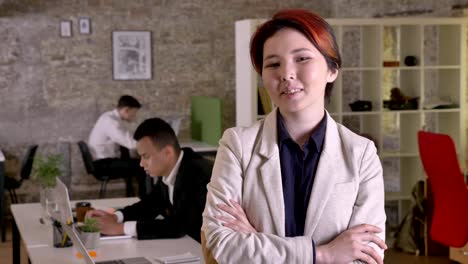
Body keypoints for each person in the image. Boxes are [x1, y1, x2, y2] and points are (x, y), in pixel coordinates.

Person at [202, 9, 387, 264]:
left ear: (332, 69)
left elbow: (367, 256)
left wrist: (256, 239)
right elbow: (219, 243)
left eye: (302, 59)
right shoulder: (238, 146)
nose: (287, 74)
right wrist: (323, 254)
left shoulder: (361, 154)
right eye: (273, 64)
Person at [87, 117, 213, 242]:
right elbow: (152, 204)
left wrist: (120, 228)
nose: (141, 164)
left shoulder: (197, 173)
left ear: (167, 152)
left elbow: (179, 225)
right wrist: (116, 216)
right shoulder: (173, 167)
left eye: (145, 157)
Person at [88, 95, 146, 197]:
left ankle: (134, 195)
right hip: (102, 165)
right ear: (127, 110)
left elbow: (126, 138)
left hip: (102, 161)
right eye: (134, 113)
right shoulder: (111, 122)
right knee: (143, 165)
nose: (135, 116)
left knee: (137, 161)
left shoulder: (110, 117)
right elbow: (130, 143)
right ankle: (144, 198)